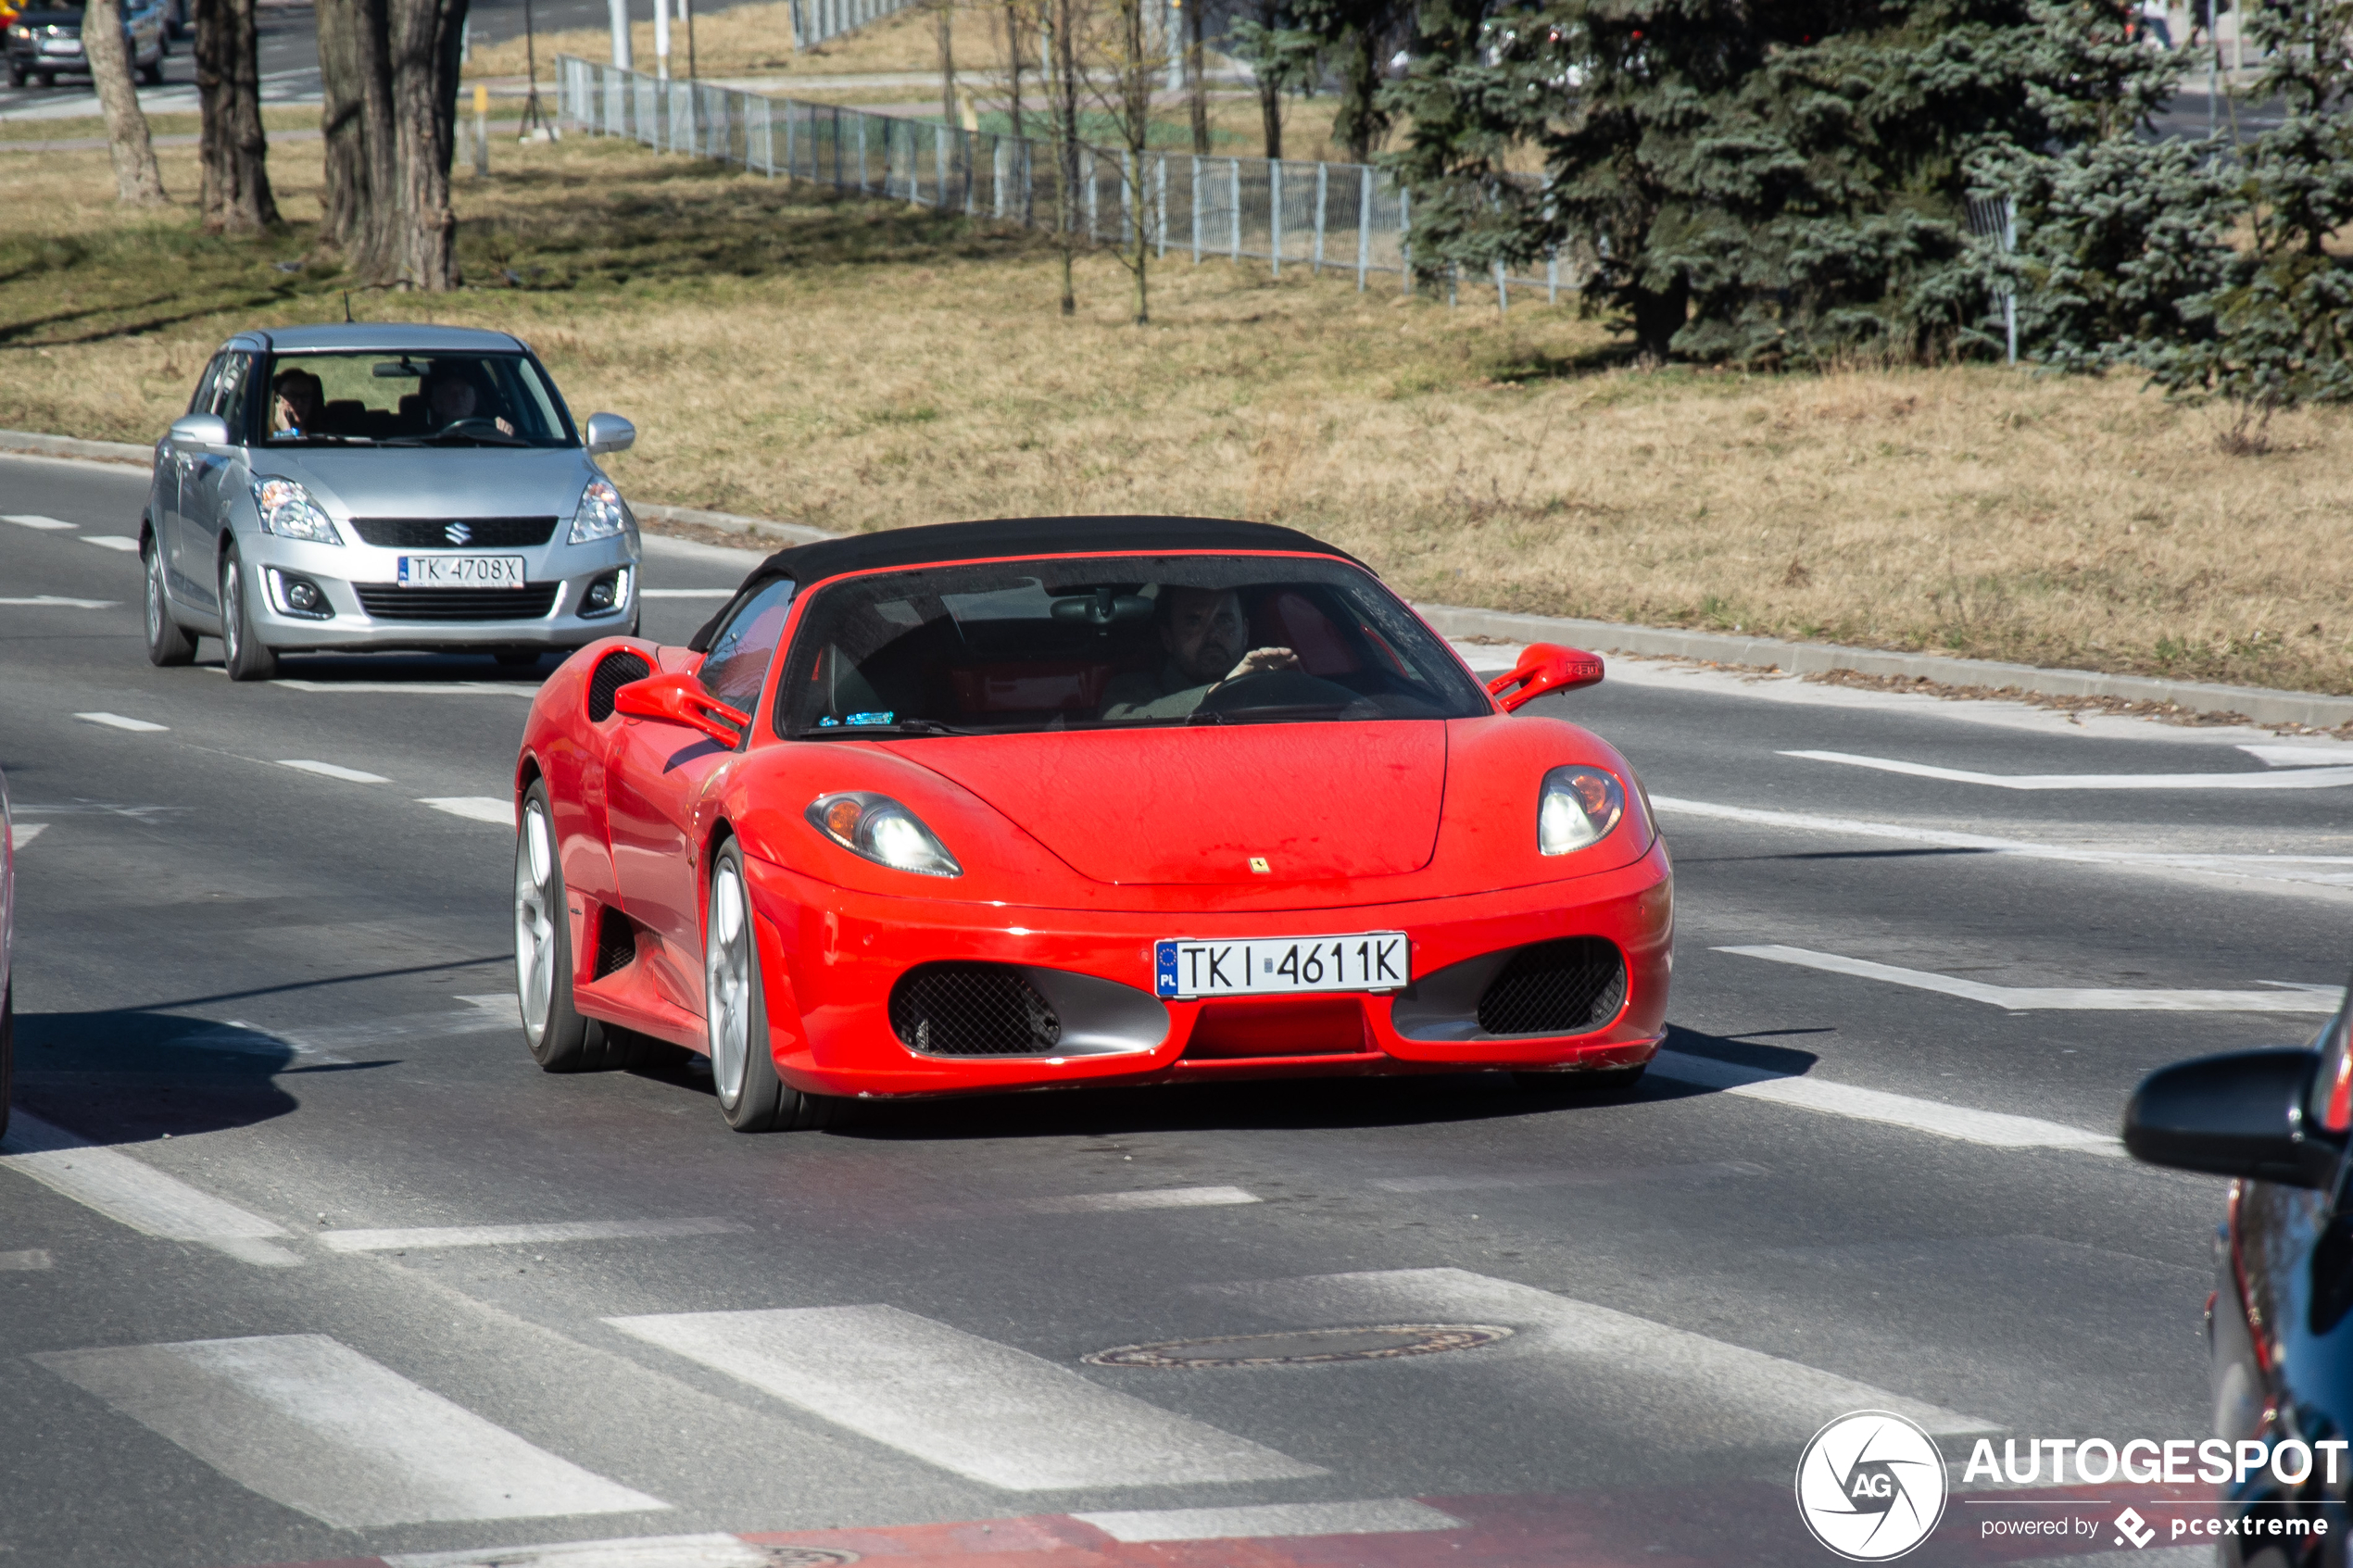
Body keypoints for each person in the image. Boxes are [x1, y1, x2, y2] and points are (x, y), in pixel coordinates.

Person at [1100, 586, 1302, 720]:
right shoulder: (1131, 689)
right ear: (1168, 638)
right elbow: (1118, 722)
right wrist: (1219, 692)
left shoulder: (1272, 688)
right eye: (1194, 622)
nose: (1213, 635)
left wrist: (1293, 685)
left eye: (1224, 620)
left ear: (1245, 632)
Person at [422, 368, 515, 436]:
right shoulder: (423, 440)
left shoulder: (493, 430)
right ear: (437, 404)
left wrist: (505, 431)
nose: (459, 398)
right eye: (450, 393)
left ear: (475, 399)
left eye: (464, 392)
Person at [269, 368, 324, 438]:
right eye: (292, 395)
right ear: (277, 399)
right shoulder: (263, 435)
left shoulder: (325, 434)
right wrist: (286, 431)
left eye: (305, 396)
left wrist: (288, 432)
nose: (299, 403)